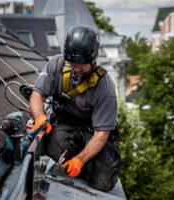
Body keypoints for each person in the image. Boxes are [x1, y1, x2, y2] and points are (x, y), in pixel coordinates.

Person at [29, 25, 121, 192]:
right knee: (55, 144)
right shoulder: (57, 64)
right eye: (73, 64)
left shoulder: (105, 88)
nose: (76, 69)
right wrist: (40, 117)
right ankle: (78, 160)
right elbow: (37, 95)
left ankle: (88, 164)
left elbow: (101, 134)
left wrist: (80, 159)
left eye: (82, 66)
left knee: (103, 183)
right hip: (68, 128)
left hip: (95, 134)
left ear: (96, 56)